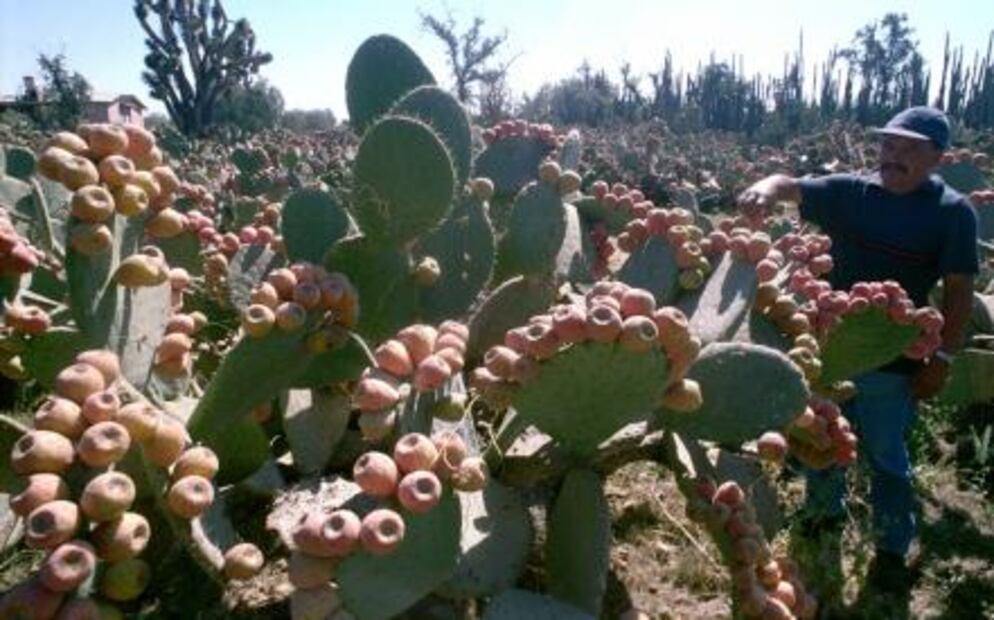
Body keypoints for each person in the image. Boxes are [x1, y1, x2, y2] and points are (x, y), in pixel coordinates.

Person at [736, 106, 979, 580]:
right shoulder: (852, 192)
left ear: (938, 158)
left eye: (910, 148)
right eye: (889, 144)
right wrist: (765, 188)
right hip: (828, 349)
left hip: (893, 359)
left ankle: (892, 544)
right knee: (823, 440)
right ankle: (823, 515)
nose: (894, 155)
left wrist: (943, 358)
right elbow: (791, 185)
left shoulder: (953, 213)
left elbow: (959, 292)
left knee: (886, 454)